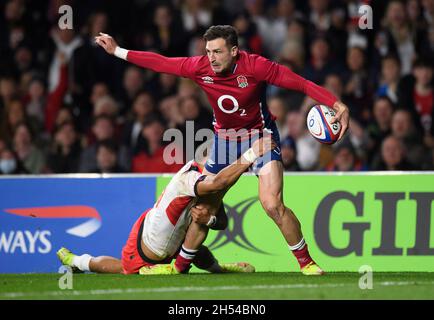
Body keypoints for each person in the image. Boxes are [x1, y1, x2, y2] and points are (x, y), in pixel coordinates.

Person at [95, 25, 351, 275]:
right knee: (203, 212)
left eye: (217, 52)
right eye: (208, 51)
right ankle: (179, 268)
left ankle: (306, 263)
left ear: (234, 51)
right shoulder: (200, 67)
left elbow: (301, 84)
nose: (211, 58)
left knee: (272, 204)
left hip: (260, 136)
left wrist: (335, 103)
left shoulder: (256, 66)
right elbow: (161, 62)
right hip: (224, 141)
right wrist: (118, 51)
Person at [57, 136, 275, 275]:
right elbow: (221, 181)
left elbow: (222, 222)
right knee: (127, 269)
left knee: (200, 230)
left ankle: (218, 269)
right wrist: (252, 153)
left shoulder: (208, 180)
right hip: (152, 242)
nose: (226, 165)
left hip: (170, 235)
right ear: (206, 159)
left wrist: (210, 220)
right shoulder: (189, 179)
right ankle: (77, 260)